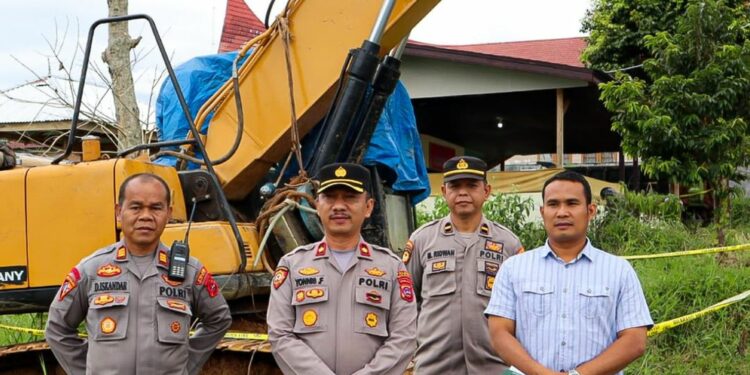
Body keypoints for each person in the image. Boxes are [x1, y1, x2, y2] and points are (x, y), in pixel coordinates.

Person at [46, 173, 232, 375]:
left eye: (155, 208)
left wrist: (187, 366)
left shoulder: (189, 271)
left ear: (168, 213)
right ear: (119, 212)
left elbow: (219, 319)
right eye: (135, 207)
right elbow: (57, 328)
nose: (145, 216)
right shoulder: (91, 270)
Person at [485, 170, 653, 375]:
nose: (562, 212)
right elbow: (499, 334)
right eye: (553, 204)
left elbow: (635, 341)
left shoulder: (619, 271)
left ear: (591, 211)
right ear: (542, 211)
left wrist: (578, 374)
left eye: (572, 203)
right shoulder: (513, 269)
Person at [267, 162, 417, 375]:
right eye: (330, 197)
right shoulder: (292, 266)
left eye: (350, 197)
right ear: (317, 205)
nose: (339, 206)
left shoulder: (392, 268)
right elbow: (280, 334)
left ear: (368, 207)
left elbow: (404, 337)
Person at [403, 156, 524, 374]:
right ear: (443, 191)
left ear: (486, 191)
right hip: (434, 366)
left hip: (493, 366)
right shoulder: (423, 240)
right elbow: (406, 302)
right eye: (455, 186)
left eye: (472, 185)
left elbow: (522, 308)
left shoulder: (508, 243)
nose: (463, 192)